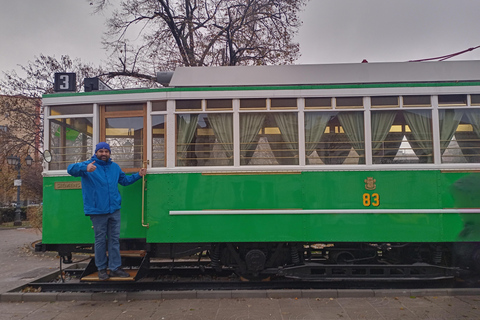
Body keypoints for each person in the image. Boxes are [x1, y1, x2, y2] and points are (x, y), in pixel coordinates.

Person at [67, 142, 147, 280]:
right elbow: (70, 169)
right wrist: (85, 167)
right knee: (100, 241)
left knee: (114, 240)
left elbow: (124, 181)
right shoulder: (89, 165)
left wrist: (138, 175)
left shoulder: (114, 167)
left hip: (114, 210)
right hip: (97, 211)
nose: (103, 153)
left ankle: (115, 268)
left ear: (109, 153)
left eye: (106, 151)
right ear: (96, 153)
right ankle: (102, 269)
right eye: (101, 151)